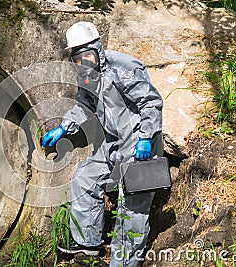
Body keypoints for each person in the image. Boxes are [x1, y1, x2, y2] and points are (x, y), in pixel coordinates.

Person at [42, 21, 164, 267]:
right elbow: (85, 105)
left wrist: (146, 138)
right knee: (85, 178)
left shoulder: (124, 67)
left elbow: (150, 103)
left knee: (132, 207)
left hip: (140, 145)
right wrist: (64, 127)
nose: (83, 62)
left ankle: (124, 262)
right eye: (78, 58)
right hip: (113, 145)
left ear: (98, 50)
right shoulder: (87, 76)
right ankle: (88, 246)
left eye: (87, 55)